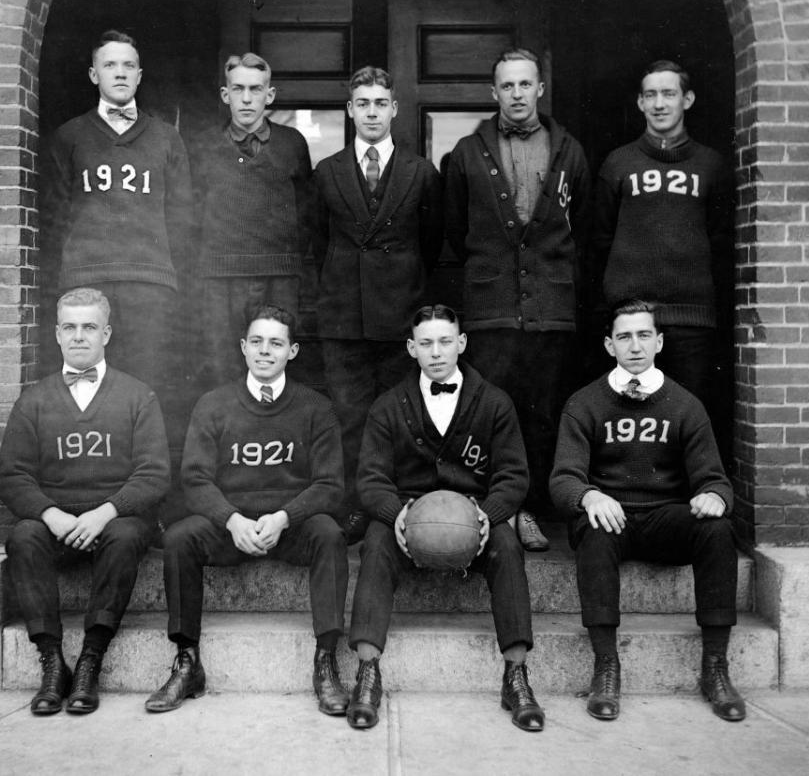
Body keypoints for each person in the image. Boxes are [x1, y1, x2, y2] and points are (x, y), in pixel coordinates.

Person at [346, 304, 544, 732]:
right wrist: (396, 514)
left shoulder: (493, 401)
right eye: (426, 343)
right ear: (411, 348)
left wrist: (488, 515)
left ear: (462, 343)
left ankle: (516, 675)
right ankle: (367, 671)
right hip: (406, 515)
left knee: (508, 546)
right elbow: (371, 478)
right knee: (376, 543)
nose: (436, 352)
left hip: (472, 515)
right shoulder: (388, 405)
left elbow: (513, 475)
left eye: (445, 342)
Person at [145, 306, 349, 716]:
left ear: (292, 351)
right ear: (243, 348)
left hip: (289, 526)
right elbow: (196, 478)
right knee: (180, 538)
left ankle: (326, 661)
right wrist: (231, 519)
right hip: (231, 527)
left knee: (329, 534)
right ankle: (187, 661)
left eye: (276, 343)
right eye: (256, 342)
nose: (265, 351)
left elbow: (330, 485)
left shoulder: (316, 407)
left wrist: (285, 517)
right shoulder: (214, 404)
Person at [548, 299, 745, 722]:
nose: (634, 346)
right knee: (593, 528)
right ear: (608, 345)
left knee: (717, 529)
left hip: (663, 519)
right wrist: (589, 496)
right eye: (624, 337)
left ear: (658, 341)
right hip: (611, 518)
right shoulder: (584, 403)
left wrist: (714, 497)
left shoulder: (685, 405)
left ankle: (715, 667)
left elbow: (715, 479)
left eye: (642, 336)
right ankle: (606, 666)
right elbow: (563, 479)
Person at [0, 287, 171, 715]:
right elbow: (12, 475)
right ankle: (53, 663)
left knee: (128, 534)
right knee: (23, 536)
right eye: (70, 328)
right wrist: (50, 514)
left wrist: (106, 512)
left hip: (114, 517)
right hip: (57, 520)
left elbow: (155, 473)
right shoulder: (34, 400)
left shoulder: (137, 396)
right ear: (56, 334)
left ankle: (91, 658)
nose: (79, 336)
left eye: (89, 327)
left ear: (106, 333)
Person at [444, 48, 590, 552]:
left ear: (539, 88)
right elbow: (454, 231)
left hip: (550, 307)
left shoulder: (570, 150)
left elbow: (583, 231)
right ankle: (495, 511)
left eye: (525, 85)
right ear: (494, 93)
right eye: (507, 86)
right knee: (489, 410)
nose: (517, 94)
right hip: (492, 309)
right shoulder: (465, 153)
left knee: (542, 411)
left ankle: (528, 508)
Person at [314, 66, 443, 540]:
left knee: (398, 416)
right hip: (344, 316)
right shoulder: (326, 172)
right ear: (350, 110)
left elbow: (430, 243)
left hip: (398, 313)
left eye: (379, 103)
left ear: (393, 108)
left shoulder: (420, 172)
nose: (371, 112)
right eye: (362, 103)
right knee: (349, 419)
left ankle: (394, 506)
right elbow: (317, 242)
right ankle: (354, 507)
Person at [41, 29, 194, 393]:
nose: (120, 73)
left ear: (140, 75)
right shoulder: (69, 137)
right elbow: (54, 217)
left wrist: (172, 276)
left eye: (129, 65)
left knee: (147, 383)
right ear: (94, 74)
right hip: (86, 280)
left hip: (150, 283)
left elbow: (182, 217)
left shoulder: (166, 138)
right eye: (110, 65)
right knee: (87, 383)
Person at [590, 60, 732, 413]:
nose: (659, 104)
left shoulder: (710, 165)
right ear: (639, 103)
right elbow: (600, 238)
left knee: (689, 414)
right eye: (650, 95)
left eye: (669, 93)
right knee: (630, 413)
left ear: (688, 99)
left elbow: (720, 240)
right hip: (632, 319)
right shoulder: (618, 164)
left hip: (691, 318)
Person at [194, 52, 315, 386]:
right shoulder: (204, 147)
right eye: (238, 89)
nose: (246, 98)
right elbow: (191, 215)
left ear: (270, 95)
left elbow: (308, 213)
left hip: (279, 278)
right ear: (225, 94)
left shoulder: (292, 144)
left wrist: (289, 259)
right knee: (223, 368)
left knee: (276, 369)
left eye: (256, 89)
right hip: (220, 280)